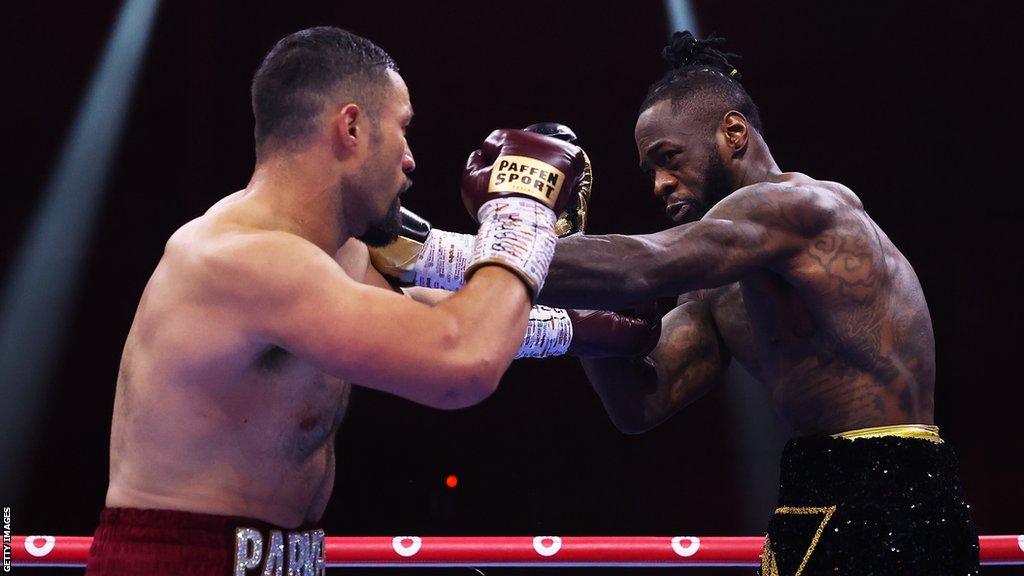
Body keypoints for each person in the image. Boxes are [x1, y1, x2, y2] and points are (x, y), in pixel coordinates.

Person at [85, 26, 612, 576]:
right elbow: (460, 360)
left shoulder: (336, 258)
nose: (411, 159)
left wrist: (574, 329)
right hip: (182, 562)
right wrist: (522, 210)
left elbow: (422, 320)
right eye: (403, 129)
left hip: (284, 559)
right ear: (352, 127)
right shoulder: (245, 258)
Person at [532, 32, 977, 575]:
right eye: (649, 170)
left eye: (668, 158)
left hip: (896, 493)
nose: (659, 184)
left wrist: (505, 242)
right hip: (806, 496)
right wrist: (568, 253)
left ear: (733, 133)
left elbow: (642, 265)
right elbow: (643, 400)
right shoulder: (715, 286)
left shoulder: (801, 207)